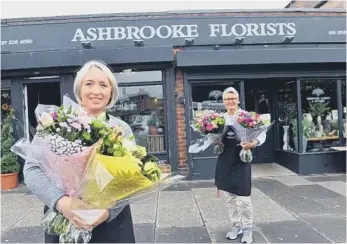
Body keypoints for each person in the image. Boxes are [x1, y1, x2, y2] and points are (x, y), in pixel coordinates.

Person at [23, 60, 136, 243]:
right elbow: (32, 169)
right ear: (79, 89)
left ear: (111, 92)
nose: (96, 91)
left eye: (103, 85)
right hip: (63, 215)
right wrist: (62, 202)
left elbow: (131, 179)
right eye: (89, 83)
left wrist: (108, 212)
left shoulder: (121, 129)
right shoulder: (56, 123)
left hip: (110, 224)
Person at [215, 87, 266, 244]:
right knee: (229, 198)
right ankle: (236, 225)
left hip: (241, 160)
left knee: (243, 198)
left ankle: (247, 228)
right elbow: (214, 136)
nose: (230, 101)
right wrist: (215, 141)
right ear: (223, 102)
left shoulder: (246, 117)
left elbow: (262, 132)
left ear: (238, 100)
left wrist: (253, 143)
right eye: (227, 99)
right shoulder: (219, 119)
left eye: (233, 98)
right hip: (225, 160)